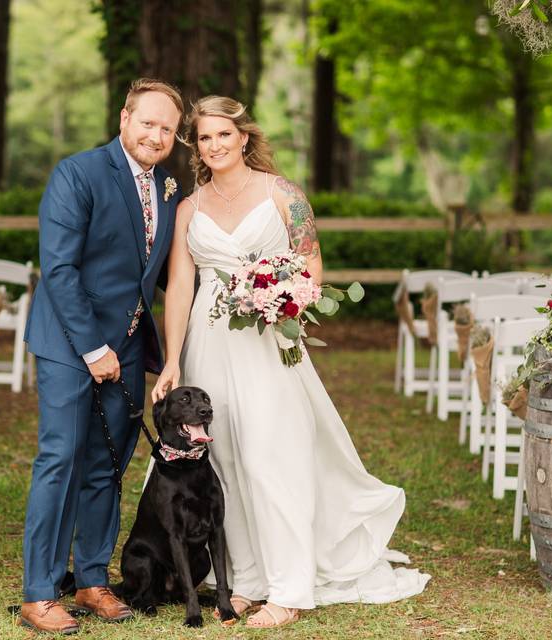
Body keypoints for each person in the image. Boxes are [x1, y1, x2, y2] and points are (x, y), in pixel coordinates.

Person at [152, 96, 430, 628]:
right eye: (204, 138)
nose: (214, 146)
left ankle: (290, 587)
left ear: (244, 137)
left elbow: (311, 261)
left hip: (267, 340)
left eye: (223, 136)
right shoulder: (190, 207)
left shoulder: (283, 193)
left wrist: (286, 301)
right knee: (223, 459)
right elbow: (181, 285)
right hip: (209, 341)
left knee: (272, 457)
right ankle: (245, 580)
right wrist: (172, 359)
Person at [20, 78, 184, 635]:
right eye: (148, 123)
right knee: (60, 461)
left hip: (131, 349)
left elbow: (162, 275)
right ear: (124, 119)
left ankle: (91, 579)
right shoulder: (78, 173)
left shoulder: (169, 188)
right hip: (71, 345)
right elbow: (59, 270)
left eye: (167, 129)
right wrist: (93, 349)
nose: (156, 135)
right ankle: (40, 592)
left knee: (106, 469)